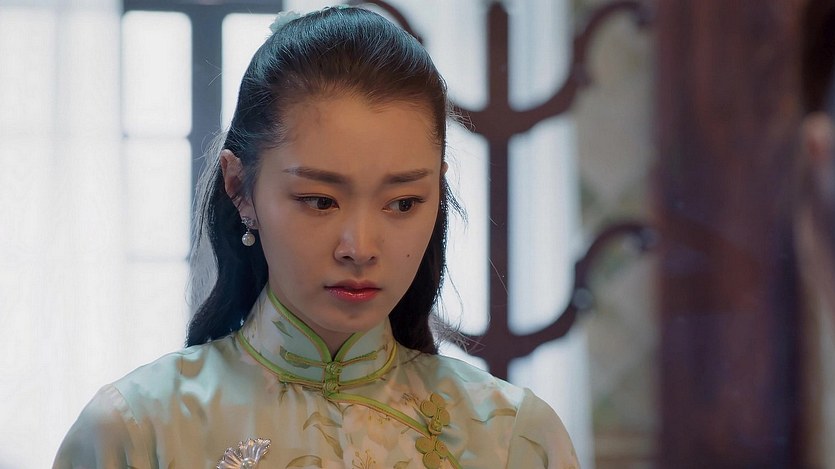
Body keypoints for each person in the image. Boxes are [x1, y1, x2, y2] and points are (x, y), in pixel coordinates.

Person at [53, 6, 578, 468]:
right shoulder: (133, 432)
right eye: (320, 201)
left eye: (403, 203)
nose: (360, 248)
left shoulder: (515, 439)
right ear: (239, 188)